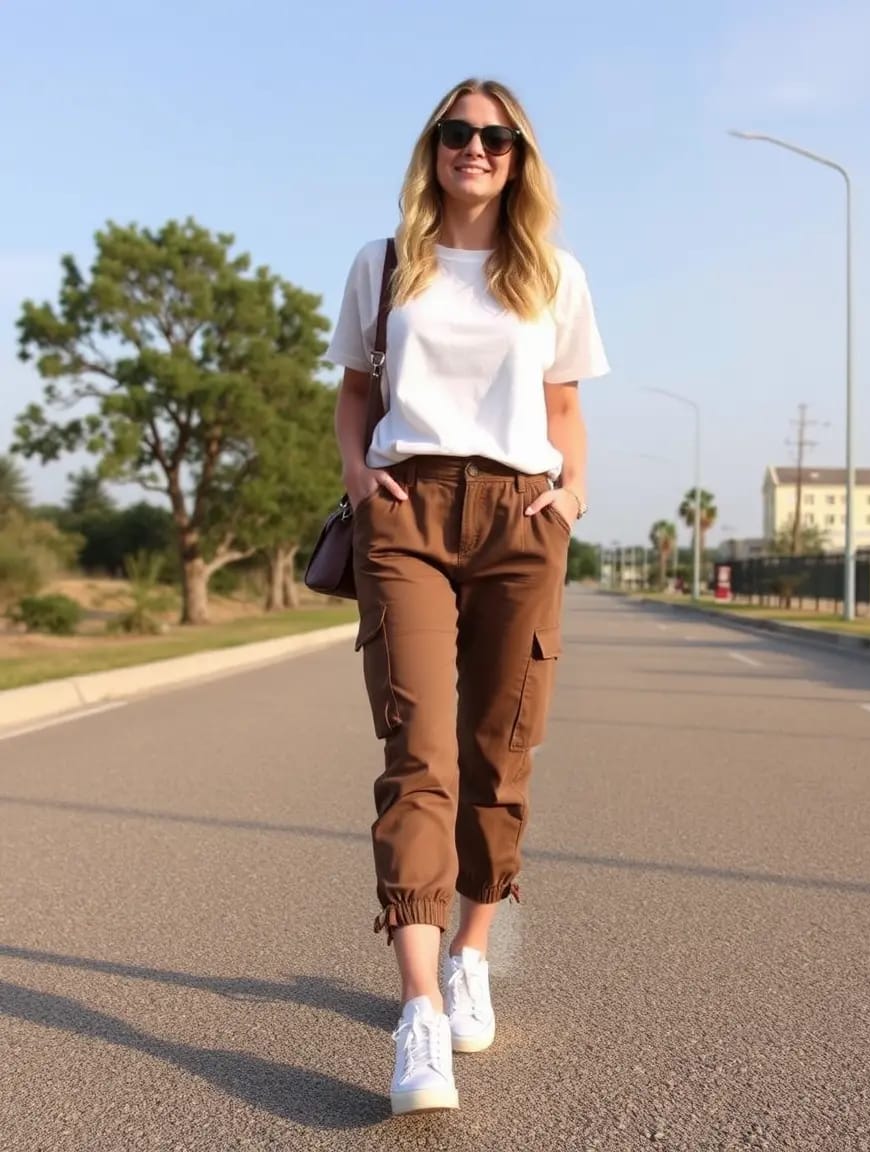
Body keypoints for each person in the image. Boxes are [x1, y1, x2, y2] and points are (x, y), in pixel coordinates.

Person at [326, 77, 609, 1115]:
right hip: (406, 511)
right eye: (456, 132)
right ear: (432, 148)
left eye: (494, 136)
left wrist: (570, 496)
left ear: (518, 155)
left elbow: (565, 405)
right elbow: (356, 393)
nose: (474, 148)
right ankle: (417, 1014)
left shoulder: (550, 274)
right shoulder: (385, 262)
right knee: (418, 756)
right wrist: (359, 481)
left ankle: (471, 954)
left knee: (501, 753)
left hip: (520, 518)